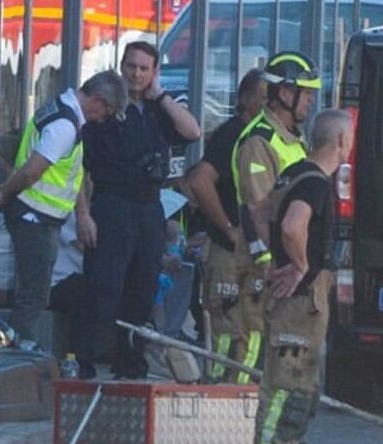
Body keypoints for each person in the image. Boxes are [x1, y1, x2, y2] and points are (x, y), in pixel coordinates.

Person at [73, 42, 201, 380]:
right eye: (131, 67)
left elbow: (193, 131)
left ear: (154, 72)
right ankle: (85, 358)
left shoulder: (159, 109)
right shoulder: (105, 108)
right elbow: (78, 170)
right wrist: (83, 215)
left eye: (145, 68)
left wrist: (160, 97)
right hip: (111, 203)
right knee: (103, 285)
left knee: (143, 286)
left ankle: (130, 360)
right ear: (122, 66)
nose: (137, 74)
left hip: (148, 206)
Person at [250, 109, 354, 444]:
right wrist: (300, 266)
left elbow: (260, 212)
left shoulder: (292, 173)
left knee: (286, 391)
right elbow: (293, 226)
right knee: (288, 392)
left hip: (290, 301)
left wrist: (275, 259)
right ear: (341, 142)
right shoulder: (314, 183)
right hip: (301, 305)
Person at [0, 70, 128, 350]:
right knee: (34, 292)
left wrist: (81, 213)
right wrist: (5, 192)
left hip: (37, 215)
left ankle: (20, 346)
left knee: (35, 287)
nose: (103, 119)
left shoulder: (60, 110)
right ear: (98, 101)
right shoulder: (65, 127)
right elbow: (32, 172)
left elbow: (66, 170)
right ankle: (20, 349)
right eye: (108, 112)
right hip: (34, 216)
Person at [231, 52, 321, 382]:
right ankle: (239, 427)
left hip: (285, 269)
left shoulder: (293, 139)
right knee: (252, 350)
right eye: (306, 93)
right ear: (285, 93)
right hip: (266, 271)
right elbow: (257, 210)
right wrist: (271, 265)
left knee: (278, 354)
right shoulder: (260, 141)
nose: (310, 101)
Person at [186, 69, 266, 381]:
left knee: (254, 326)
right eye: (264, 97)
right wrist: (229, 228)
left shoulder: (263, 138)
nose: (271, 104)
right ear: (246, 100)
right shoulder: (232, 135)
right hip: (228, 252)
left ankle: (244, 391)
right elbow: (200, 182)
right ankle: (220, 390)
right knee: (227, 326)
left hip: (257, 254)